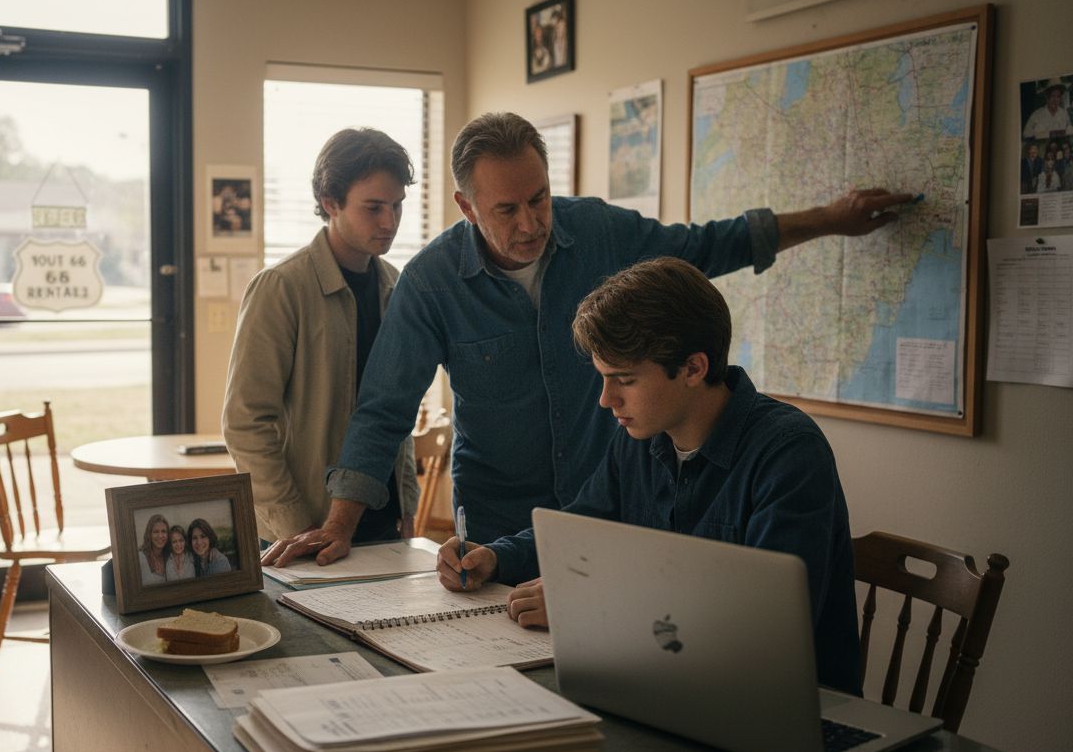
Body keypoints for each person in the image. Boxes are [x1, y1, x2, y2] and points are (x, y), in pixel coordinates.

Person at [263, 111, 911, 568]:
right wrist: (339, 525)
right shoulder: (432, 281)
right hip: (501, 524)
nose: (532, 222)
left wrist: (829, 221)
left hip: (612, 506)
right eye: (506, 210)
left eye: (540, 199)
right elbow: (385, 407)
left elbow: (706, 244)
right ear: (466, 208)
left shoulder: (599, 232)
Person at [436, 257, 860, 694]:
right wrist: (496, 557)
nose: (606, 400)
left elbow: (768, 623)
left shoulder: (789, 453)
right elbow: (580, 529)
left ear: (694, 368)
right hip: (663, 682)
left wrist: (593, 604)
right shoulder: (640, 436)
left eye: (624, 379)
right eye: (603, 378)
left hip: (784, 703)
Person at [225, 128, 419, 548]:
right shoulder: (281, 287)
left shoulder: (394, 285)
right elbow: (245, 423)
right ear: (330, 203)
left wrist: (408, 506)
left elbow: (395, 411)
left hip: (382, 528)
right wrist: (295, 524)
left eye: (397, 206)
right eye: (373, 208)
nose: (390, 222)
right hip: (301, 531)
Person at [137, 514, 170, 586]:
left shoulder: (169, 556)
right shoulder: (140, 557)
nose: (160, 536)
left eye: (163, 531)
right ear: (149, 534)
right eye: (156, 532)